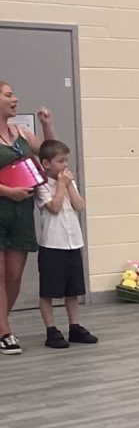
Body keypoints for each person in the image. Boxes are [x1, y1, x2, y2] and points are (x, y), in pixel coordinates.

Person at [0, 81, 55, 355]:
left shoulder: (21, 133)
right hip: (1, 207)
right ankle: (4, 331)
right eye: (9, 95)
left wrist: (46, 125)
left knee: (14, 274)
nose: (15, 99)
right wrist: (8, 191)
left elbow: (49, 153)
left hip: (21, 213)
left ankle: (1, 322)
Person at [34, 140, 97, 349]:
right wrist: (61, 185)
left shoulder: (70, 183)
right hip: (52, 244)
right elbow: (54, 207)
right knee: (49, 290)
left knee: (73, 289)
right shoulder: (42, 186)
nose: (65, 165)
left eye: (66, 160)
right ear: (46, 163)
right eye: (60, 161)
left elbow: (80, 205)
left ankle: (75, 326)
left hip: (73, 243)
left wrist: (69, 185)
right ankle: (51, 330)